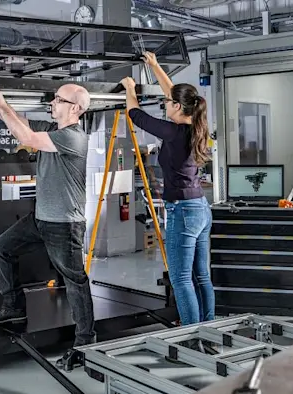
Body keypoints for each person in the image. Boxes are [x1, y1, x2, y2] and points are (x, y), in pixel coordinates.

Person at [0, 84, 95, 366]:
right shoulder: (52, 128)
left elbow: (27, 138)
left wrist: (3, 103)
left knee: (75, 281)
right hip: (41, 219)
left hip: (64, 224)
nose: (53, 101)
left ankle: (85, 342)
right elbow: (20, 126)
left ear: (75, 108)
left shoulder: (73, 137)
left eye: (59, 99)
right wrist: (1, 106)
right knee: (2, 247)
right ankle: (13, 308)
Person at [121, 52, 214, 326]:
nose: (164, 105)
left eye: (167, 103)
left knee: (181, 278)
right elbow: (173, 93)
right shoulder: (197, 126)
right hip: (200, 208)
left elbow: (136, 115)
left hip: (183, 212)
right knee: (202, 277)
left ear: (177, 107)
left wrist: (129, 89)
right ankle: (208, 328)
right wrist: (154, 65)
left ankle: (192, 335)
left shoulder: (173, 132)